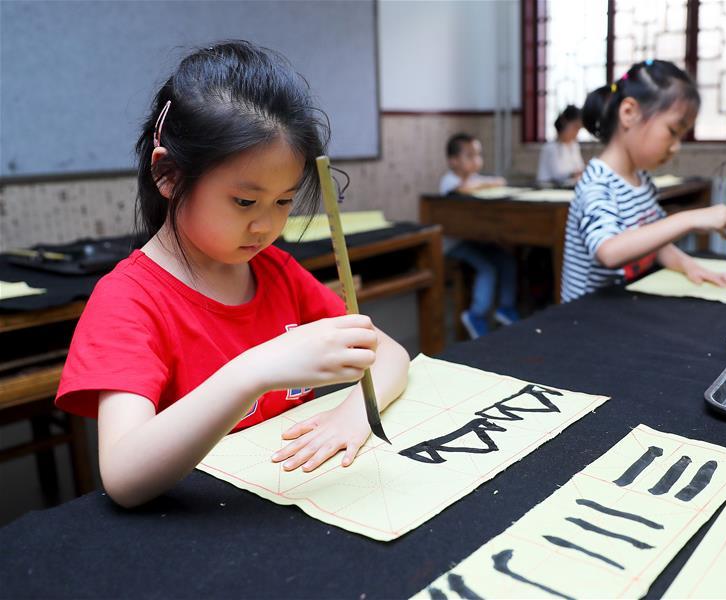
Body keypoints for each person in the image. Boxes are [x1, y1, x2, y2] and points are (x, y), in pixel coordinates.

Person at [55, 41, 410, 508]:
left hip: (287, 499)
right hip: (196, 527)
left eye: (283, 201)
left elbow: (392, 355)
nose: (265, 225)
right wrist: (253, 370)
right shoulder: (127, 300)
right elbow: (123, 477)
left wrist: (354, 414)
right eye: (245, 202)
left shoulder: (276, 270)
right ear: (168, 175)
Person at [561, 59, 726, 302]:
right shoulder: (597, 183)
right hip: (586, 318)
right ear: (629, 113)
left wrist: (689, 266)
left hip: (624, 308)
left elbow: (656, 244)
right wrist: (689, 219)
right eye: (672, 132)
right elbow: (610, 252)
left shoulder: (641, 180)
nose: (676, 147)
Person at [439, 133, 519, 338]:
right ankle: (476, 314)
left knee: (507, 260)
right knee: (488, 267)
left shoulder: (475, 179)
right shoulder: (449, 181)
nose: (476, 160)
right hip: (454, 243)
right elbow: (462, 190)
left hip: (474, 240)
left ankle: (505, 308)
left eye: (478, 155)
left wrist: (489, 182)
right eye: (470, 155)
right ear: (453, 161)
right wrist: (487, 183)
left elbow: (498, 181)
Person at [537, 105, 584, 185]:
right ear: (564, 122)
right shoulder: (550, 148)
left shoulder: (574, 146)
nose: (576, 132)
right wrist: (574, 173)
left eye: (579, 129)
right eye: (575, 127)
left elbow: (580, 168)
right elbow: (557, 175)